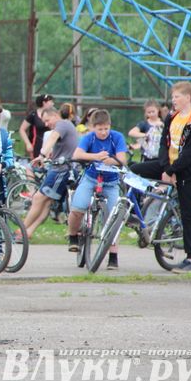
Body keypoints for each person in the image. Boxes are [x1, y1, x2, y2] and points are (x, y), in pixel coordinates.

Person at [129, 82, 191, 273]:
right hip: (169, 165)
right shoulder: (172, 117)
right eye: (172, 97)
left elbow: (189, 153)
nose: (173, 101)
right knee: (135, 169)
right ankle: (137, 209)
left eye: (177, 97)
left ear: (188, 98)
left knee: (188, 214)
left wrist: (172, 171)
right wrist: (165, 167)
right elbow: (164, 143)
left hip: (187, 172)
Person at [67, 109, 129, 270]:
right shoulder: (88, 138)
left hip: (110, 182)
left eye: (106, 128)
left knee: (113, 218)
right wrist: (95, 156)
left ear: (110, 126)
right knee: (77, 208)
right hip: (91, 178)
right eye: (99, 129)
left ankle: (113, 256)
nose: (103, 132)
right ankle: (73, 236)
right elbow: (77, 154)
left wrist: (111, 161)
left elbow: (122, 158)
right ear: (93, 127)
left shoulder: (117, 137)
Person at [22, 107, 79, 239]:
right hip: (64, 169)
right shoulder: (67, 126)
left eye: (47, 120)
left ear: (55, 115)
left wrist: (41, 155)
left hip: (61, 170)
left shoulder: (62, 124)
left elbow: (52, 138)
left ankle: (21, 229)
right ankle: (27, 233)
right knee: (46, 202)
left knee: (38, 198)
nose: (46, 124)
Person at [19, 94, 54, 159]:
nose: (53, 104)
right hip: (37, 145)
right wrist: (28, 144)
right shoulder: (33, 115)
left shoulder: (53, 114)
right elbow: (22, 129)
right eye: (51, 102)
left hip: (50, 144)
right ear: (44, 102)